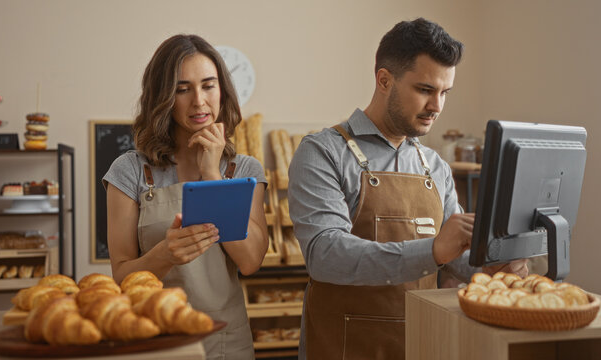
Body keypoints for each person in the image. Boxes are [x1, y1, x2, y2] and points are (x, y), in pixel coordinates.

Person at [288, 18, 528, 360]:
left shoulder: (435, 166)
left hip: (421, 342)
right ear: (384, 80)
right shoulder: (323, 151)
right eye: (425, 90)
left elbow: (455, 255)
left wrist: (492, 267)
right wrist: (431, 250)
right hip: (343, 346)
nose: (437, 107)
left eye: (445, 92)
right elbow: (325, 256)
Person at [103, 34, 268, 360]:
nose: (199, 101)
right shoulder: (130, 171)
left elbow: (250, 261)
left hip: (226, 342)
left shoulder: (245, 169)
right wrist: (165, 254)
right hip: (153, 340)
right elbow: (121, 277)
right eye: (182, 89)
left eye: (208, 85)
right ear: (162, 97)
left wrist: (211, 175)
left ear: (222, 90)